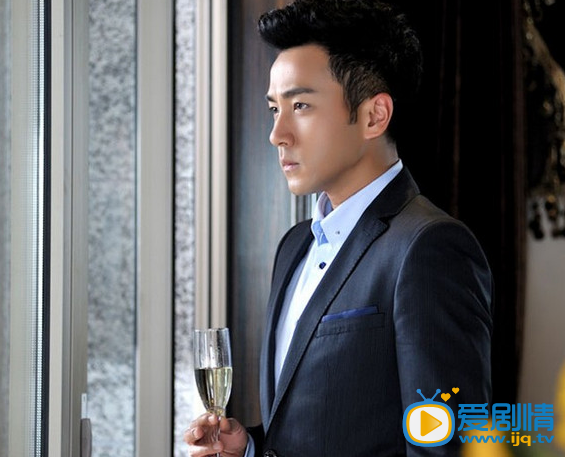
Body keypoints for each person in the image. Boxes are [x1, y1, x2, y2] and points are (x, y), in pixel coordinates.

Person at [184, 0, 493, 455]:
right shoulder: (294, 246)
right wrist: (249, 448)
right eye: (273, 109)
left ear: (373, 116)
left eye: (301, 105)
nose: (277, 134)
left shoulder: (429, 247)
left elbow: (450, 445)